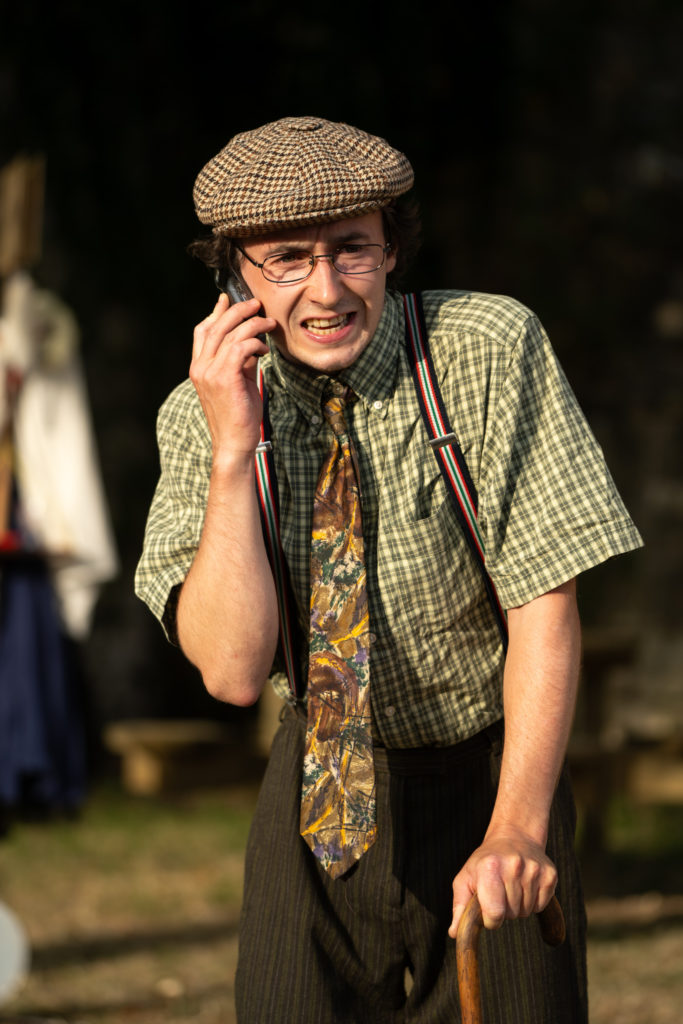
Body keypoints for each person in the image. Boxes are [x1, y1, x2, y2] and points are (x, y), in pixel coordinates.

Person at [135, 116, 642, 1023]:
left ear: (392, 247)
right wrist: (233, 449)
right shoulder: (196, 416)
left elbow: (544, 600)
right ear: (233, 278)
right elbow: (234, 670)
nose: (327, 289)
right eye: (287, 259)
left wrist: (517, 829)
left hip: (493, 767)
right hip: (318, 782)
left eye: (352, 249)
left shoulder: (483, 348)